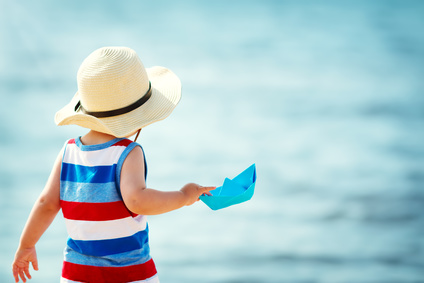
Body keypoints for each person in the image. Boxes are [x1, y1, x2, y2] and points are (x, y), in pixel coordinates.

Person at [12, 46, 215, 283]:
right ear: (139, 116)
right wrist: (183, 195)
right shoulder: (128, 153)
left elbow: (46, 203)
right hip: (129, 273)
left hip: (77, 274)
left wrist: (26, 246)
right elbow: (137, 200)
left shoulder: (68, 151)